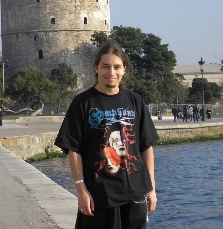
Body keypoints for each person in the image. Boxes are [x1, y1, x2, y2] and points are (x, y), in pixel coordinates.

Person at [54, 43, 159, 229]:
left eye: (117, 67)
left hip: (134, 194)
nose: (111, 72)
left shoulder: (135, 101)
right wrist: (81, 189)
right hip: (98, 196)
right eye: (105, 66)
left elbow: (146, 147)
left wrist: (151, 188)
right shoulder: (82, 103)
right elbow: (73, 149)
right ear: (96, 68)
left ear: (124, 70)